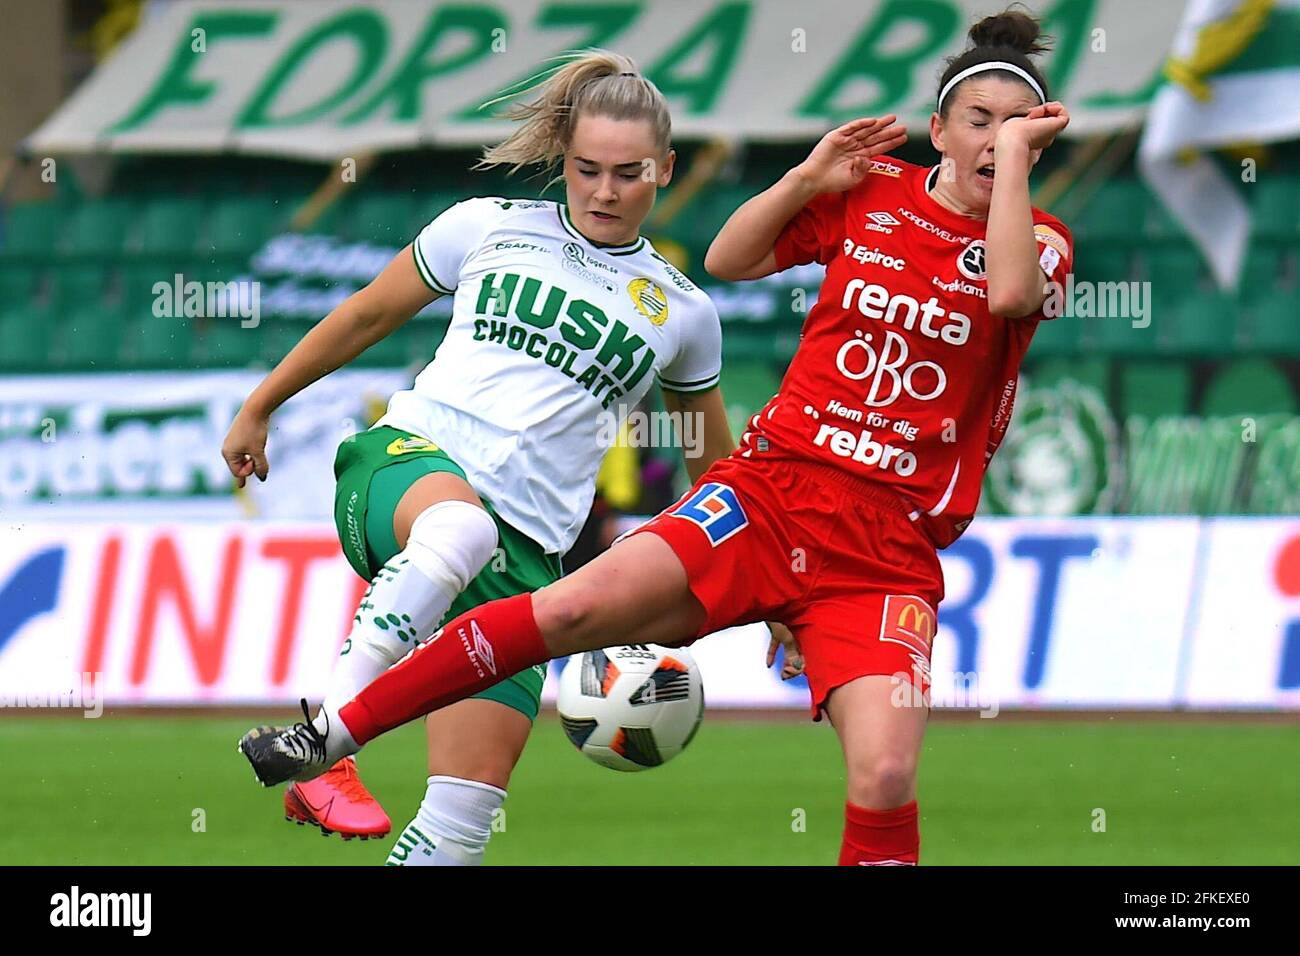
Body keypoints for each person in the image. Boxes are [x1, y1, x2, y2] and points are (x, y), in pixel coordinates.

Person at [239, 8, 1072, 866]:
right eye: (981, 121)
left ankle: (343, 736)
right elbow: (733, 255)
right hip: (752, 493)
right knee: (530, 584)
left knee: (887, 775)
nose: (604, 189)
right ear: (937, 130)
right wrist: (806, 178)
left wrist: (1009, 162)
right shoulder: (862, 198)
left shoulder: (1042, 243)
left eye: (1019, 126)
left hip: (882, 546)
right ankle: (329, 735)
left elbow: (1008, 294)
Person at [225, 50, 762, 865]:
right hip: (406, 466)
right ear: (564, 160)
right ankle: (325, 743)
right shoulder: (487, 223)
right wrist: (262, 404)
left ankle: (326, 747)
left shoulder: (684, 313)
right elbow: (369, 314)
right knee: (457, 532)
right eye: (586, 169)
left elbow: (709, 466)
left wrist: (763, 595)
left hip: (524, 566)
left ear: (667, 169)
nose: (606, 191)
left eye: (629, 173)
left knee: (459, 827)